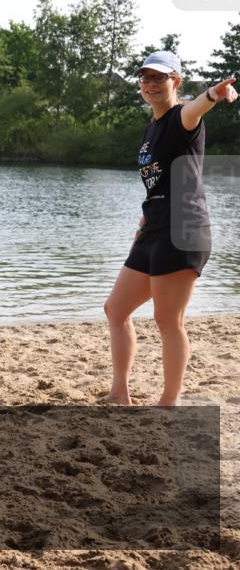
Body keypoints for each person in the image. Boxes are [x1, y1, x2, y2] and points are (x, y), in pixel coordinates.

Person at [102, 50, 237, 406]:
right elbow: (158, 185)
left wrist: (215, 94)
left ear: (175, 81)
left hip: (184, 231)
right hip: (154, 230)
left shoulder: (182, 118)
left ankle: (169, 401)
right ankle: (120, 393)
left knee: (167, 320)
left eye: (159, 77)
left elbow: (196, 107)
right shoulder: (151, 130)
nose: (150, 84)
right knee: (116, 310)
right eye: (145, 78)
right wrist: (143, 223)